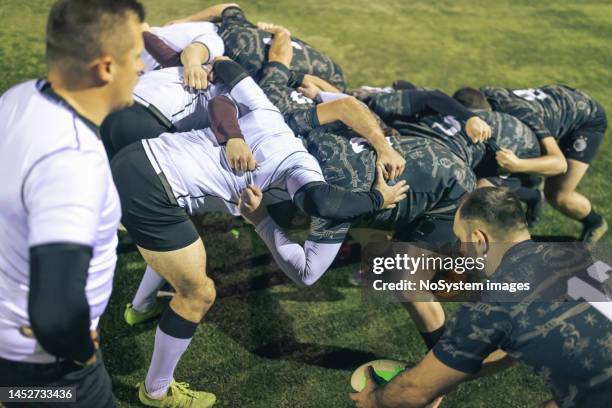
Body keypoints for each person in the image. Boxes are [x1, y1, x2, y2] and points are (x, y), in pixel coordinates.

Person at [111, 58, 407, 407]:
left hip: (137, 156)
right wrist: (377, 198)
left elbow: (223, 67)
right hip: (154, 193)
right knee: (199, 294)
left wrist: (234, 135)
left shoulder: (269, 112)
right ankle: (156, 392)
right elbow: (324, 203)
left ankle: (141, 307)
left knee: (182, 242)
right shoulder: (302, 163)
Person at [0, 0, 145, 406]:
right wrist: (80, 348)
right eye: (135, 55)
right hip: (52, 371)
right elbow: (55, 313)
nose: (142, 67)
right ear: (106, 67)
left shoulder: (19, 98)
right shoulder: (72, 161)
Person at [349, 187, 612, 408]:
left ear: (479, 240)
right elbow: (510, 351)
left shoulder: (493, 301)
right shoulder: (580, 255)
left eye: (460, 239)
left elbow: (414, 390)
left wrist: (375, 400)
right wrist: (446, 373)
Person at [454, 85, 608, 243]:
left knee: (558, 194)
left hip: (586, 117)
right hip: (555, 101)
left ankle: (595, 223)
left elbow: (559, 164)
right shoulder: (479, 96)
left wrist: (517, 165)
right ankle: (533, 195)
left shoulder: (522, 114)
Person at [167, 3, 347, 90]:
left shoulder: (228, 33)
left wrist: (184, 20)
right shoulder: (220, 44)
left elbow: (228, 7)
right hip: (318, 75)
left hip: (317, 74)